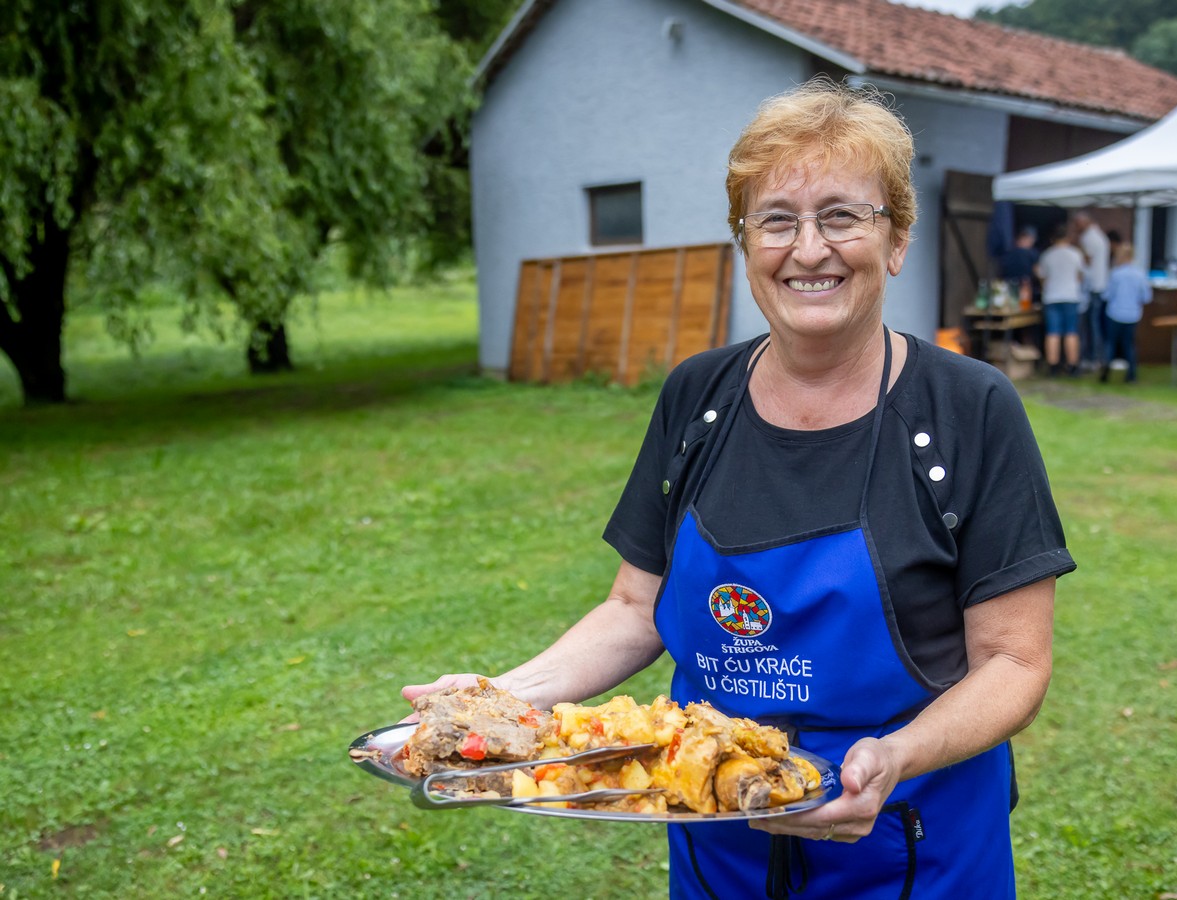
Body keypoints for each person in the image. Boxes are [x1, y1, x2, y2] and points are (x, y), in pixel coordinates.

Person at [402, 78, 1075, 898]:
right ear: (744, 242)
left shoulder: (966, 408)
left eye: (841, 215)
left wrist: (894, 757)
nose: (808, 248)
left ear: (895, 240)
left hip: (913, 838)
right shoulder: (699, 396)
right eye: (776, 219)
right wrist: (491, 701)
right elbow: (630, 608)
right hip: (716, 836)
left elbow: (1012, 661)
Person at [1035, 224, 1086, 375]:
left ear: (1053, 239)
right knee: (1071, 332)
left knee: (1053, 333)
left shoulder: (1047, 255)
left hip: (1052, 297)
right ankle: (1072, 366)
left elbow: (1043, 278)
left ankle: (1053, 366)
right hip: (1070, 296)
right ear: (1068, 238)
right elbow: (1080, 276)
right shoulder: (1076, 254)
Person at [1099, 242, 1152, 384]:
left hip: (1114, 313)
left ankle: (1105, 373)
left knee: (1110, 343)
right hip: (1132, 315)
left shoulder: (1115, 274)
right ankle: (1131, 376)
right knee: (1129, 345)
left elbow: (1107, 295)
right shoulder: (1140, 274)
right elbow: (1146, 297)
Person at [1074, 212, 1111, 369]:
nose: (1076, 228)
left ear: (1083, 222)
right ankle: (1096, 357)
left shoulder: (1089, 238)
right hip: (1100, 284)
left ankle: (1093, 358)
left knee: (1090, 324)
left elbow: (1087, 260)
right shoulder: (1100, 235)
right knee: (1094, 323)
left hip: (1092, 286)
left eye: (1077, 224)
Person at [999, 225, 1040, 305]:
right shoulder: (1032, 254)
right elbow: (1037, 271)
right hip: (1023, 287)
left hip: (1008, 286)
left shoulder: (1008, 252)